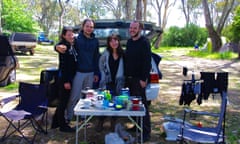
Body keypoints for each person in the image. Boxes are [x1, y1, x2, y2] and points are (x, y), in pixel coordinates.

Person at [62, 18, 100, 122]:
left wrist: (96, 72)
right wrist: (56, 47)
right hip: (79, 72)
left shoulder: (95, 41)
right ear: (83, 27)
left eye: (91, 27)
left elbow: (96, 57)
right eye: (87, 26)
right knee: (75, 96)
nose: (89, 28)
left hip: (91, 72)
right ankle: (68, 117)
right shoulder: (77, 39)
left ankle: (84, 117)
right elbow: (64, 44)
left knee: (87, 96)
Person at [124, 20, 152, 142]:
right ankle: (137, 125)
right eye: (131, 28)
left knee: (142, 105)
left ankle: (146, 131)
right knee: (133, 104)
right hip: (129, 79)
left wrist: (143, 79)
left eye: (135, 28)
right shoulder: (129, 42)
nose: (132, 30)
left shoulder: (144, 42)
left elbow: (147, 62)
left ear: (140, 29)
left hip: (139, 80)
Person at [96, 34, 125, 132]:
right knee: (105, 102)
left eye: (116, 40)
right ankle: (101, 122)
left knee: (116, 102)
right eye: (111, 41)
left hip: (118, 82)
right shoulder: (105, 53)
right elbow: (100, 65)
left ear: (118, 42)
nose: (114, 43)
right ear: (109, 43)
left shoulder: (123, 54)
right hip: (107, 82)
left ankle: (113, 123)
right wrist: (104, 75)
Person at [51, 26, 77, 132]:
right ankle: (63, 126)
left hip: (69, 77)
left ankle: (55, 122)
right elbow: (63, 65)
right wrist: (66, 81)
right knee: (63, 102)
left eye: (72, 34)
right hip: (64, 79)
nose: (72, 36)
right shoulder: (64, 47)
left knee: (63, 101)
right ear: (63, 36)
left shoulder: (71, 45)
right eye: (69, 34)